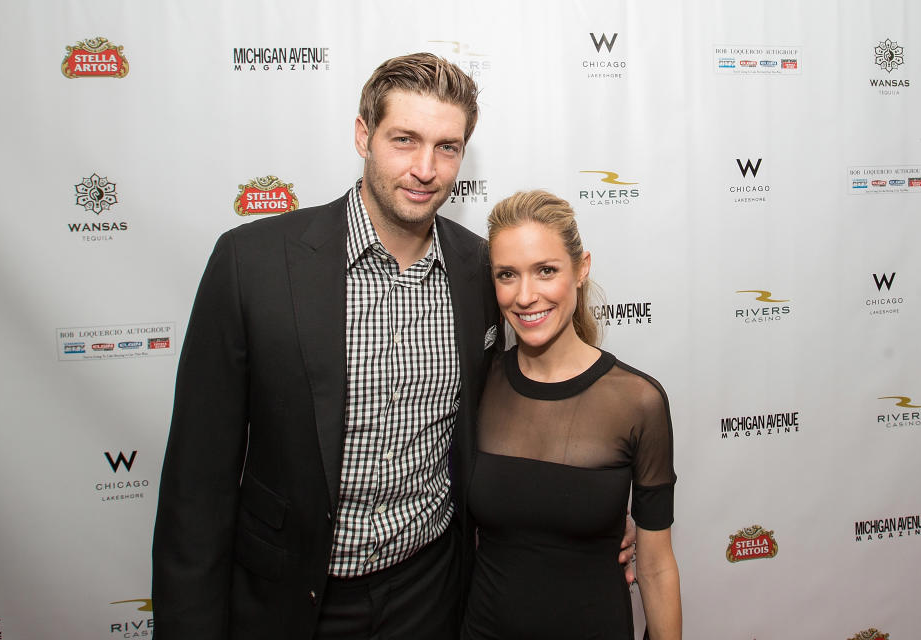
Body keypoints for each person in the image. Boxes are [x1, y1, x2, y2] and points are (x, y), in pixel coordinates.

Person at [151, 53, 502, 639]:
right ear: (363, 135)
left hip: (430, 593)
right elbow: (197, 479)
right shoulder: (253, 262)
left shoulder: (479, 269)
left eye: (447, 147)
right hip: (290, 600)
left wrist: (579, 511)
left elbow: (507, 413)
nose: (425, 168)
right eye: (405, 139)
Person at [461, 190, 682, 640]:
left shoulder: (638, 401)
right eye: (507, 275)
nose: (526, 296)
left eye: (546, 271)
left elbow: (656, 567)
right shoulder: (478, 383)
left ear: (580, 268)